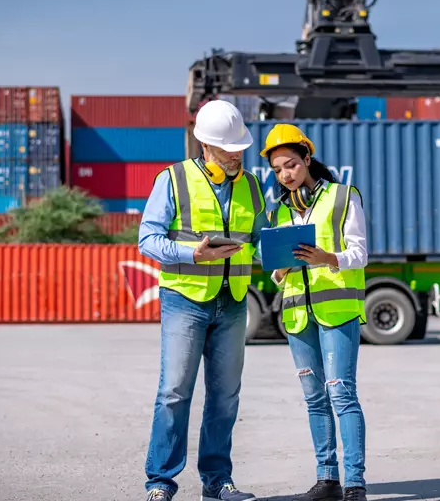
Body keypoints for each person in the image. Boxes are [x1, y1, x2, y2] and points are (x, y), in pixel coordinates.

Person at [137, 99, 268, 501]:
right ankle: (161, 482)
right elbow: (148, 240)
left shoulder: (251, 186)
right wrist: (192, 254)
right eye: (229, 148)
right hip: (185, 300)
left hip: (234, 301)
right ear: (206, 145)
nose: (237, 154)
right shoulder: (173, 179)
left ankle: (217, 480)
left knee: (225, 397)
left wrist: (282, 254)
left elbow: (259, 240)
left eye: (240, 147)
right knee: (174, 392)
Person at [261, 124, 370, 501]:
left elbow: (361, 253)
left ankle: (354, 483)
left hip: (337, 309)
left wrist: (327, 258)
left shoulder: (343, 197)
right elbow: (275, 274)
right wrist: (280, 270)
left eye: (291, 164)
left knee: (341, 393)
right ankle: (327, 480)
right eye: (277, 170)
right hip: (297, 315)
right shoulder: (277, 212)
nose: (285, 174)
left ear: (307, 159)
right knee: (314, 398)